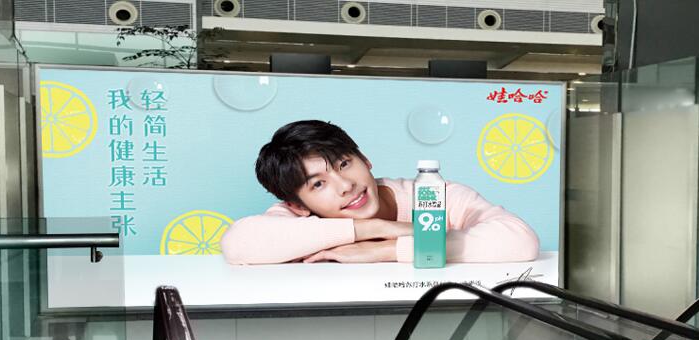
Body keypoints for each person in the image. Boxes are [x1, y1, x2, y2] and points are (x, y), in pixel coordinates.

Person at [220, 120, 540, 265]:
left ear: (366, 159)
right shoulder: (298, 217)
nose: (345, 185)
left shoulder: (431, 194)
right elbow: (238, 244)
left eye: (344, 164)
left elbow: (520, 241)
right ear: (297, 205)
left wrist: (389, 249)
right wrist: (374, 228)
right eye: (318, 184)